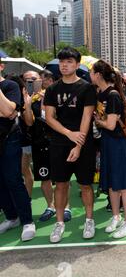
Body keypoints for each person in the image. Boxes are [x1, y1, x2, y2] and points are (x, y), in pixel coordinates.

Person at [44, 47, 97, 243]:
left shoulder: (87, 88)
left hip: (83, 144)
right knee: (60, 185)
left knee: (85, 185)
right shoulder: (51, 89)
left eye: (69, 62)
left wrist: (77, 145)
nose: (64, 65)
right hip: (59, 143)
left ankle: (89, 219)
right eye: (62, 62)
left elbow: (87, 118)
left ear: (77, 64)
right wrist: (68, 134)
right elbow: (49, 118)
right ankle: (59, 223)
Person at [91, 60, 126, 239]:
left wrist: (98, 121)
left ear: (98, 75)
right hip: (108, 144)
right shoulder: (101, 94)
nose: (90, 75)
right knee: (111, 183)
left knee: (123, 185)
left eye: (91, 72)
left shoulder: (112, 95)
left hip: (117, 144)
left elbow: (110, 125)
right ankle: (116, 217)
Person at [21, 70, 73, 222]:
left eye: (35, 79)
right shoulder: (32, 99)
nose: (34, 83)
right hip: (39, 142)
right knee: (44, 177)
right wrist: (28, 105)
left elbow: (61, 118)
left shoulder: (58, 97)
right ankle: (50, 206)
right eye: (28, 81)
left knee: (63, 178)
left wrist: (48, 103)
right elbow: (29, 122)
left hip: (58, 142)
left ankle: (66, 207)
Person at [0, 59, 36, 242]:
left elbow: (7, 111)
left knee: (13, 179)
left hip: (9, 138)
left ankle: (27, 221)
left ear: (1, 67)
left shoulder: (10, 85)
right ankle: (11, 217)